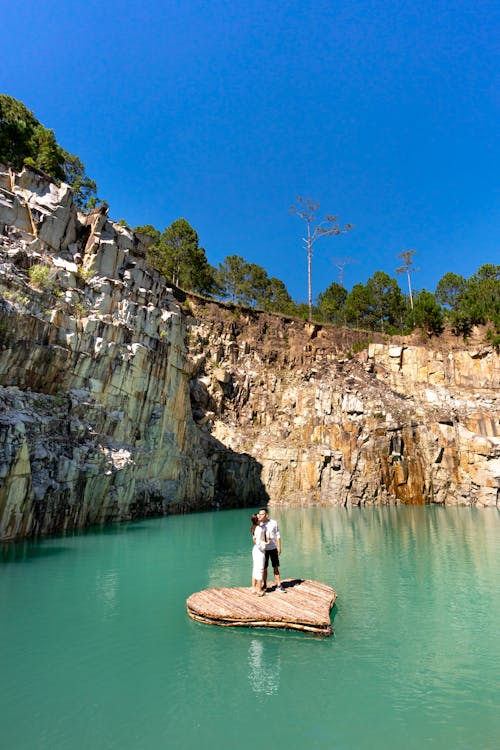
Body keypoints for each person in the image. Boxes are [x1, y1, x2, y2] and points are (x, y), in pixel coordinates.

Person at [257, 508, 285, 593]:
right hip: (264, 550)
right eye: (260, 514)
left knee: (275, 567)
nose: (260, 515)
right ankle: (265, 584)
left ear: (266, 515)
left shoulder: (273, 523)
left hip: (273, 548)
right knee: (264, 568)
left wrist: (279, 547)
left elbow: (278, 535)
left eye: (262, 514)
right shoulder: (259, 525)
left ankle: (279, 585)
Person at [250, 513, 266, 596]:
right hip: (259, 550)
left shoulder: (254, 527)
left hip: (255, 550)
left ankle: (253, 588)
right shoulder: (259, 529)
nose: (261, 517)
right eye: (259, 516)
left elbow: (254, 539)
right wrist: (266, 544)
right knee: (260, 569)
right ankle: (259, 590)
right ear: (257, 520)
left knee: (255, 568)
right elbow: (259, 543)